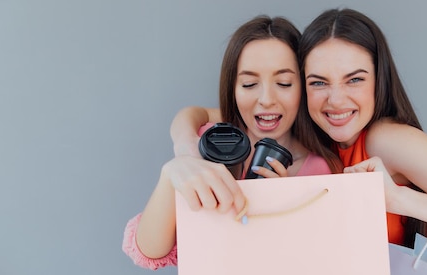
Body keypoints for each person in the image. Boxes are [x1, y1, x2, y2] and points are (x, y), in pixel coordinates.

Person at [170, 8, 427, 249]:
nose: (335, 100)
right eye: (318, 82)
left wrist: (400, 200)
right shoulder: (300, 130)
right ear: (299, 87)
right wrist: (185, 148)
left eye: (354, 80)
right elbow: (203, 112)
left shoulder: (387, 141)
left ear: (379, 80)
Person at [122, 15, 342, 270]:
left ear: (303, 87)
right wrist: (174, 170)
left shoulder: (323, 169)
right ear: (233, 89)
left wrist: (279, 208)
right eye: (249, 84)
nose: (266, 99)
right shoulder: (209, 144)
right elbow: (148, 251)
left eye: (283, 83)